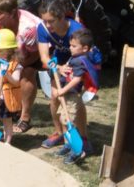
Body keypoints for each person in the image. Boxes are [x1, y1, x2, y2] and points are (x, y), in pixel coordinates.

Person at [0, 0, 42, 135]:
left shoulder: (28, 28)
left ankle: (25, 117)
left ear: (12, 13)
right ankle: (8, 110)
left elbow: (36, 53)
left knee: (26, 75)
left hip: (35, 50)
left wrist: (19, 66)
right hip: (10, 51)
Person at [38, 0, 86, 149]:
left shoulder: (77, 30)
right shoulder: (43, 28)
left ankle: (83, 137)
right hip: (57, 63)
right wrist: (58, 68)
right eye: (44, 20)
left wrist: (71, 68)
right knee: (55, 97)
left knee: (75, 100)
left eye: (51, 21)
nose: (47, 25)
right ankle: (59, 132)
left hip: (77, 63)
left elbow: (86, 55)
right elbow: (44, 57)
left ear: (61, 17)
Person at [47, 28, 97, 164]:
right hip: (66, 95)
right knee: (64, 119)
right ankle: (69, 144)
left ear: (85, 48)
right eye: (70, 45)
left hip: (71, 95)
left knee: (69, 121)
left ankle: (78, 150)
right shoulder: (75, 58)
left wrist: (62, 90)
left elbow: (77, 79)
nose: (70, 48)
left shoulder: (80, 61)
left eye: (74, 46)